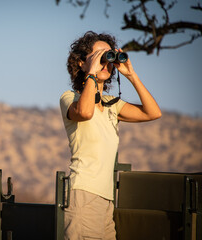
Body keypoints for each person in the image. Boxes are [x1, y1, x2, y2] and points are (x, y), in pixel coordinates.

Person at [60, 31, 162, 240]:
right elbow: (85, 112)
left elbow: (153, 113)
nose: (105, 62)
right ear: (81, 62)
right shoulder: (70, 98)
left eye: (108, 56)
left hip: (106, 200)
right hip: (83, 194)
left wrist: (131, 74)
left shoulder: (111, 104)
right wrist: (91, 73)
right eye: (99, 55)